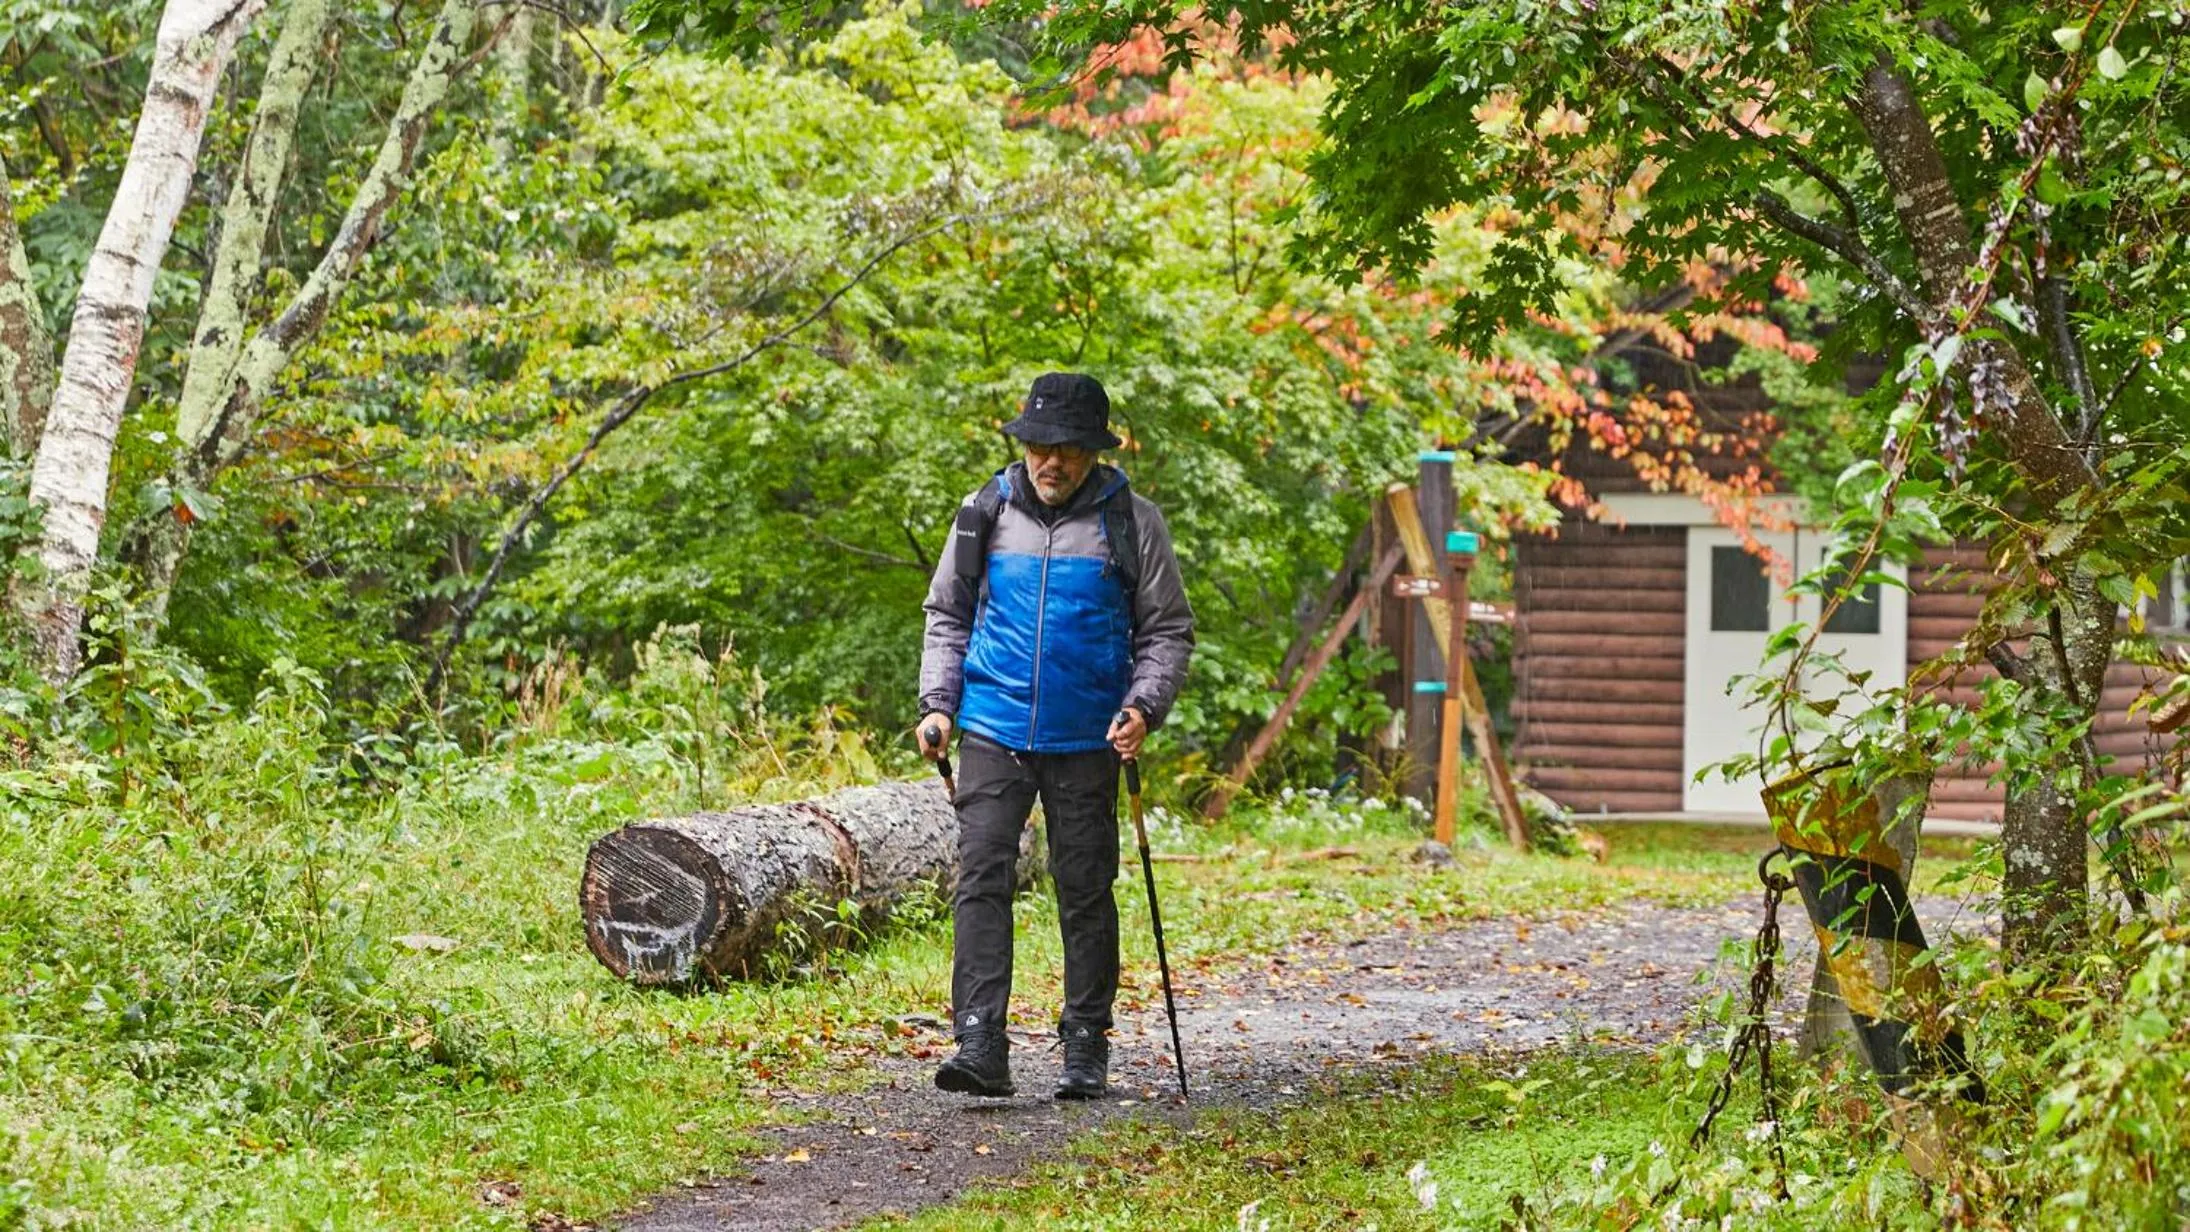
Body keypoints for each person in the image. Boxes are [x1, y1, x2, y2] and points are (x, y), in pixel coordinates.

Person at [915, 372, 1195, 1100]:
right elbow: (947, 615)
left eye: (1069, 448)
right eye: (1040, 445)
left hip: (1088, 735)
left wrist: (1143, 706)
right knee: (980, 876)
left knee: (1084, 887)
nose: (1052, 462)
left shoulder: (1132, 521)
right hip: (994, 727)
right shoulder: (983, 512)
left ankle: (1085, 1043)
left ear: (1094, 453)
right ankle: (980, 1041)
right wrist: (938, 705)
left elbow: (1166, 631)